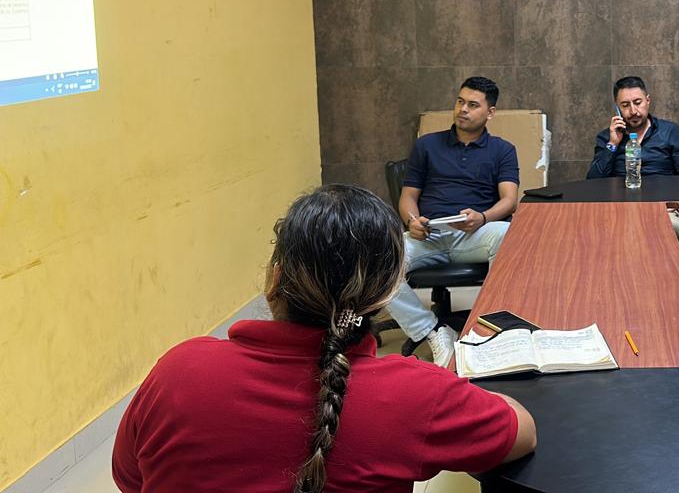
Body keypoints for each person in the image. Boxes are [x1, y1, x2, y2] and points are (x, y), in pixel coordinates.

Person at [112, 185, 536, 493]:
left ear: (275, 279)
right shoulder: (417, 394)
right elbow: (520, 433)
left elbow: (130, 478)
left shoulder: (177, 372)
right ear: (386, 295)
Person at [389, 76, 519, 365]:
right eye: (460, 102)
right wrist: (412, 221)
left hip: (474, 235)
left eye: (473, 105)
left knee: (507, 233)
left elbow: (509, 200)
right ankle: (432, 330)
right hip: (428, 235)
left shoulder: (503, 150)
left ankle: (492, 328)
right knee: (380, 262)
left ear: (490, 112)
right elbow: (408, 196)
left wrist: (482, 217)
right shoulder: (426, 145)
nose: (463, 109)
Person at [586, 75, 679, 179]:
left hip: (662, 192)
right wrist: (613, 144)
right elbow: (593, 181)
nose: (633, 111)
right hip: (621, 193)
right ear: (618, 108)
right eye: (625, 105)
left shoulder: (669, 131)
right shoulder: (607, 137)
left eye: (637, 103)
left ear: (647, 101)